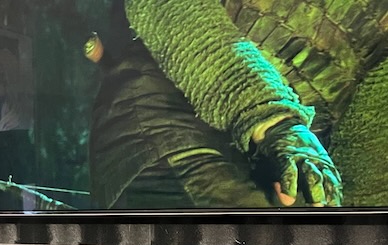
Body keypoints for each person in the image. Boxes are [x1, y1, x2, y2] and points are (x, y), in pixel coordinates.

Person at [88, 0, 387, 209]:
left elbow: (370, 131)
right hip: (171, 113)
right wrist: (273, 118)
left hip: (290, 158)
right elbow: (164, 5)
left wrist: (339, 209)